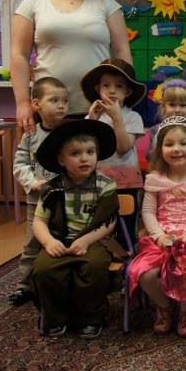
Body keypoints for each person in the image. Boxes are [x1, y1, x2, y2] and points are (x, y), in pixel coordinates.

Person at [11, 0, 131, 133]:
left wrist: (123, 99)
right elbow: (19, 55)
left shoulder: (106, 3)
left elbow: (122, 52)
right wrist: (22, 103)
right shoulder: (32, 3)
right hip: (48, 110)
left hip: (99, 108)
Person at [127, 116, 186, 337]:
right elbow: (148, 211)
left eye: (183, 143)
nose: (176, 149)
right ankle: (164, 306)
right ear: (160, 149)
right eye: (169, 144)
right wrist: (159, 236)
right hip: (160, 238)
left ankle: (185, 311)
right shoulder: (156, 178)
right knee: (144, 273)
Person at [29, 119, 119, 338]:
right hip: (60, 239)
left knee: (94, 267)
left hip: (94, 240)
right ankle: (56, 317)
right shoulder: (52, 188)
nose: (84, 158)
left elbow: (109, 221)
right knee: (44, 269)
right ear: (61, 159)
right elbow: (39, 221)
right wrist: (49, 242)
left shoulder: (104, 185)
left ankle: (91, 317)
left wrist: (86, 240)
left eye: (90, 152)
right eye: (75, 153)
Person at [8, 77, 69, 307]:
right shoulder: (31, 134)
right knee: (33, 243)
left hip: (65, 201)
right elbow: (20, 163)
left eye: (65, 101)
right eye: (54, 100)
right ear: (36, 104)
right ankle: (25, 285)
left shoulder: (69, 132)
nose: (61, 106)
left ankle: (59, 281)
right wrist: (32, 182)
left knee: (62, 239)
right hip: (38, 201)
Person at [82, 58, 146, 240]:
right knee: (99, 224)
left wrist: (117, 118)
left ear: (128, 91)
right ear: (98, 89)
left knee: (126, 227)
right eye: (106, 85)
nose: (112, 90)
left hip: (126, 182)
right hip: (99, 182)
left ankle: (128, 252)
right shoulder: (93, 116)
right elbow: (83, 146)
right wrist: (91, 120)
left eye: (119, 86)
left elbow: (123, 147)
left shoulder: (132, 117)